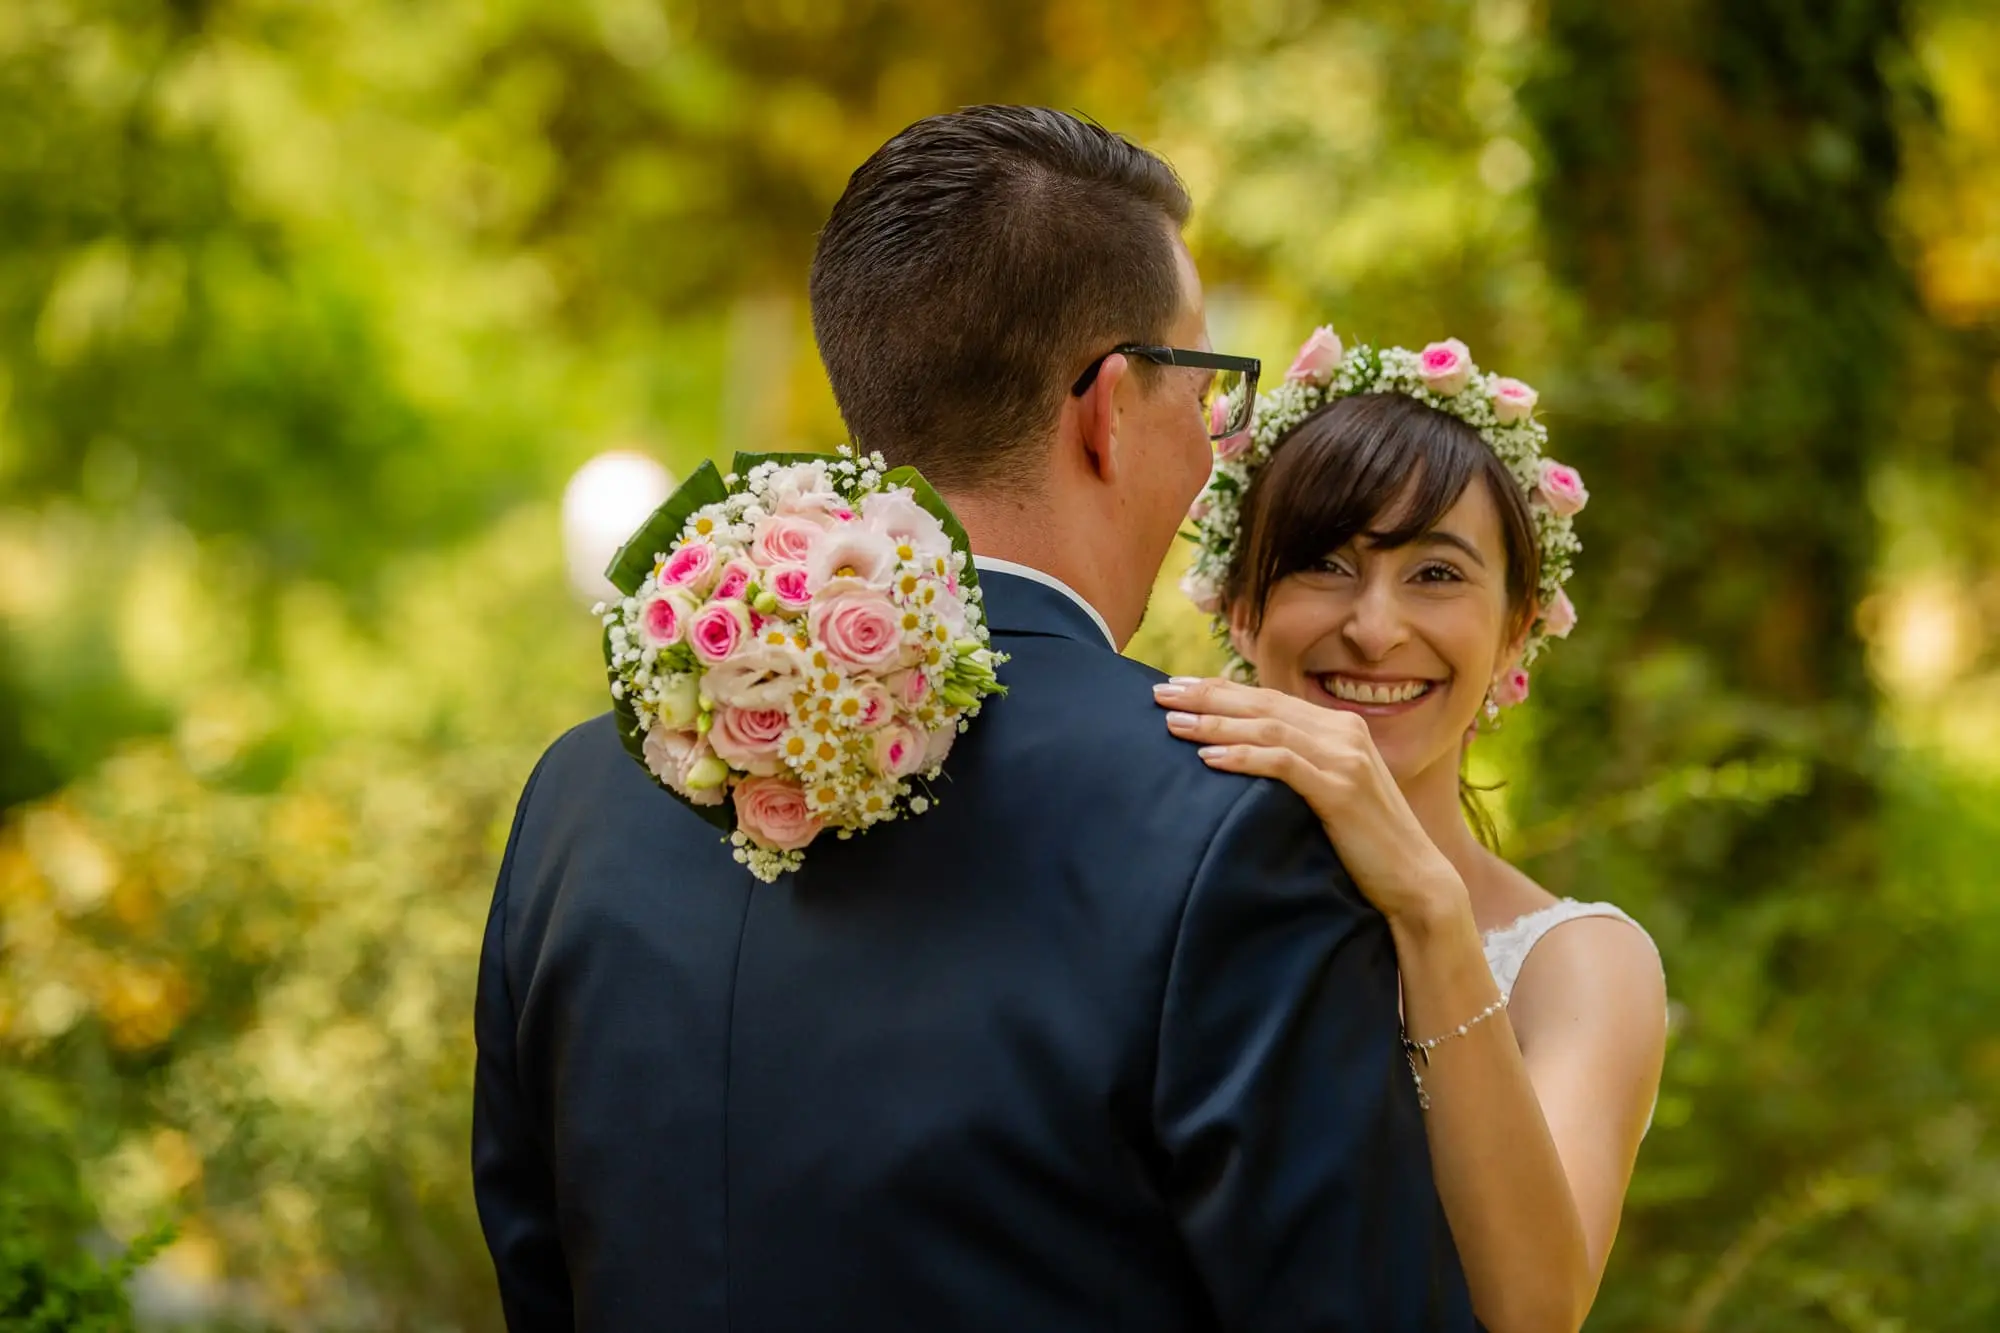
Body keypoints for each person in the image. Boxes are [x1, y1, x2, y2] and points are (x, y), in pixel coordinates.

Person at [472, 107, 1482, 1330]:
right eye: (1205, 384)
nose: (1214, 448)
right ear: (1108, 409)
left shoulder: (584, 802)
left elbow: (538, 1272)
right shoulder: (1229, 829)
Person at [1159, 340, 1668, 1333]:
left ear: (1516, 628)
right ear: (1239, 606)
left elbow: (1533, 1310)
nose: (1374, 628)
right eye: (1321, 564)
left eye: (1434, 572)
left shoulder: (1581, 964)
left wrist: (1429, 909)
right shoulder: (1152, 883)